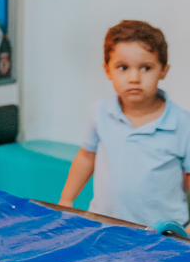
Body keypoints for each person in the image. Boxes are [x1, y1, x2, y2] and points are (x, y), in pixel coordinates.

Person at [59, 20, 190, 227]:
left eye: (146, 68)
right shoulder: (100, 112)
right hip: (105, 225)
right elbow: (86, 157)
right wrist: (66, 200)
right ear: (108, 70)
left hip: (164, 233)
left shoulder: (182, 122)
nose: (134, 78)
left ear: (163, 71)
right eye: (123, 67)